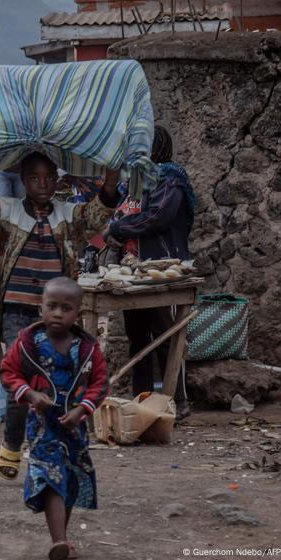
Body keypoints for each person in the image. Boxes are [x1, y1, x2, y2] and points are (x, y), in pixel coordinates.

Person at [0, 152, 119, 481]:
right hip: (16, 310)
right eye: (34, 178)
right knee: (20, 379)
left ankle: (53, 446)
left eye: (48, 177)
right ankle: (12, 445)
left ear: (57, 180)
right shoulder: (7, 211)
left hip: (56, 318)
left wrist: (112, 171)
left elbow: (100, 213)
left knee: (59, 382)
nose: (42, 184)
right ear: (24, 181)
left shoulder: (70, 216)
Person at [0, 277, 108, 560]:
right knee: (51, 476)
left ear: (78, 313)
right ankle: (58, 539)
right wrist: (31, 395)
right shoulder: (28, 343)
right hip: (42, 427)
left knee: (69, 478)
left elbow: (100, 383)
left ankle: (62, 538)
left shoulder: (86, 349)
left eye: (66, 308)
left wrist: (82, 409)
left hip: (74, 429)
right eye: (52, 306)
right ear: (41, 309)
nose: (58, 313)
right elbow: (8, 372)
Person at [107, 126, 195, 419]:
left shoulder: (170, 179)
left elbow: (157, 217)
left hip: (163, 267)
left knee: (166, 334)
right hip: (132, 269)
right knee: (137, 337)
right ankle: (141, 400)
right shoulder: (130, 184)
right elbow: (119, 214)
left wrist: (118, 228)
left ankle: (177, 400)